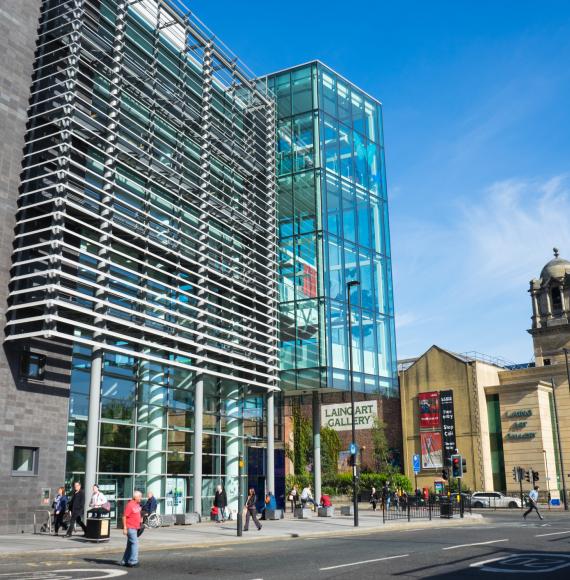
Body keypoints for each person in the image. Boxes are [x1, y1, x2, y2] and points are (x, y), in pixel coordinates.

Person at [120, 491, 143, 568]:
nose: (141, 498)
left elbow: (137, 513)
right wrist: (125, 528)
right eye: (140, 496)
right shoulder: (130, 505)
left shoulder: (137, 504)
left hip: (135, 528)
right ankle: (133, 561)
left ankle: (125, 561)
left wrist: (141, 519)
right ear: (135, 497)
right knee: (135, 544)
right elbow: (124, 516)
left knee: (130, 545)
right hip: (130, 528)